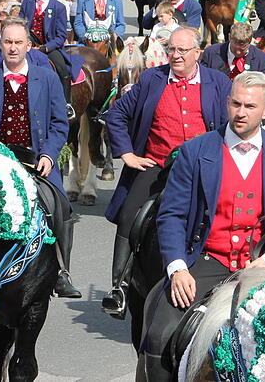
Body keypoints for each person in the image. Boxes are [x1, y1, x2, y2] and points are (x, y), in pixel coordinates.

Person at [138, 71, 265, 381]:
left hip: (262, 266)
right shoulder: (195, 151)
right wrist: (177, 268)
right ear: (227, 103)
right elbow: (171, 215)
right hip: (207, 261)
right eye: (236, 104)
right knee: (160, 333)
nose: (241, 113)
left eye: (250, 107)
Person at [101, 27, 231, 343]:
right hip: (157, 167)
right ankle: (119, 285)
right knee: (132, 214)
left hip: (205, 170)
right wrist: (128, 154)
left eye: (183, 51)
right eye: (171, 49)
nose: (175, 56)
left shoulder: (219, 83)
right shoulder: (151, 80)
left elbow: (232, 124)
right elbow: (116, 114)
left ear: (198, 53)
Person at [0, 21, 79, 299]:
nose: (12, 48)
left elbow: (59, 124)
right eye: (7, 42)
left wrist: (48, 154)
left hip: (34, 159)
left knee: (59, 205)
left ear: (28, 46)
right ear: (0, 45)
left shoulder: (46, 78)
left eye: (18, 42)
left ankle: (61, 271)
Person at [20, 0, 77, 119]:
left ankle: (66, 103)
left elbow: (61, 35)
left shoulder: (58, 7)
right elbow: (21, 25)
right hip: (27, 45)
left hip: (49, 46)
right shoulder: (27, 3)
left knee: (63, 69)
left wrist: (46, 48)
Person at [199, 21, 265, 78]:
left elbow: (262, 88)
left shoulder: (261, 59)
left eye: (242, 49)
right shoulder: (211, 53)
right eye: (234, 48)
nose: (238, 53)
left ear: (250, 41)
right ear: (229, 37)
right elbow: (203, 80)